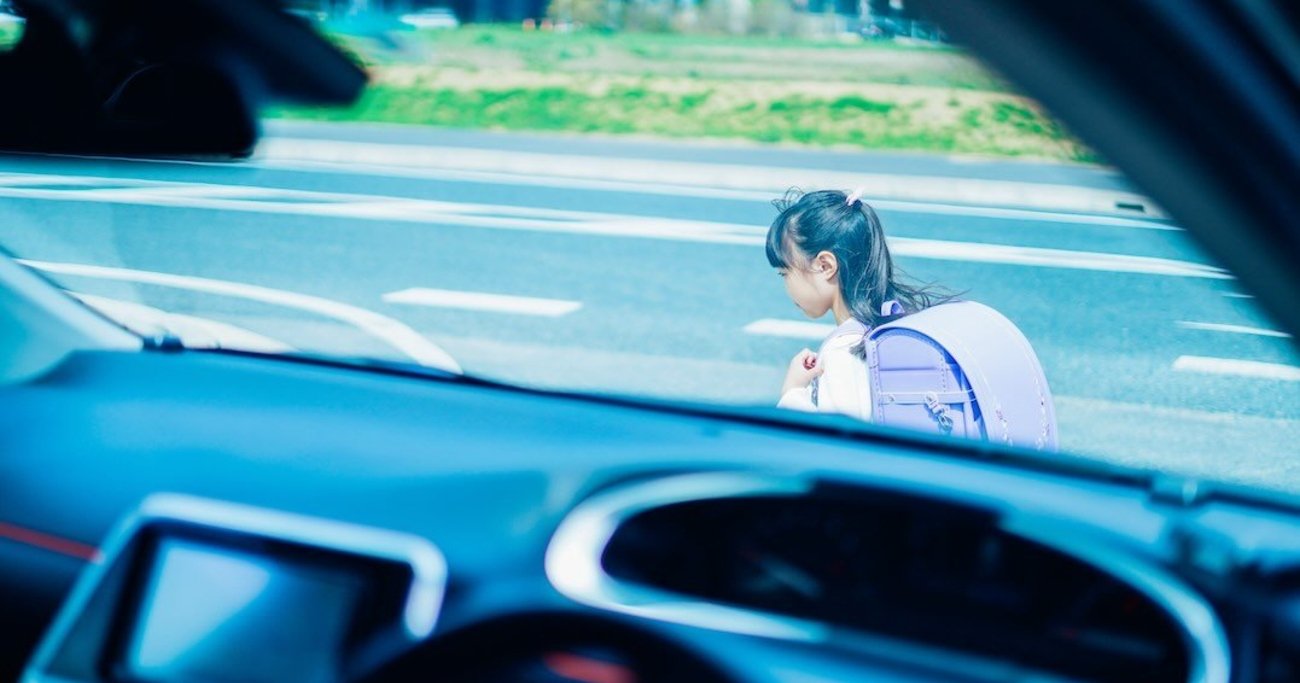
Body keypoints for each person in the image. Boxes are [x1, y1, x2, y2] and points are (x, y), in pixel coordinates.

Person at [767, 188, 948, 419]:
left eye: (785, 273)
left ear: (825, 266)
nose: (786, 286)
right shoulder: (893, 323)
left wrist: (792, 392)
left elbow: (837, 439)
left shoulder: (844, 352)